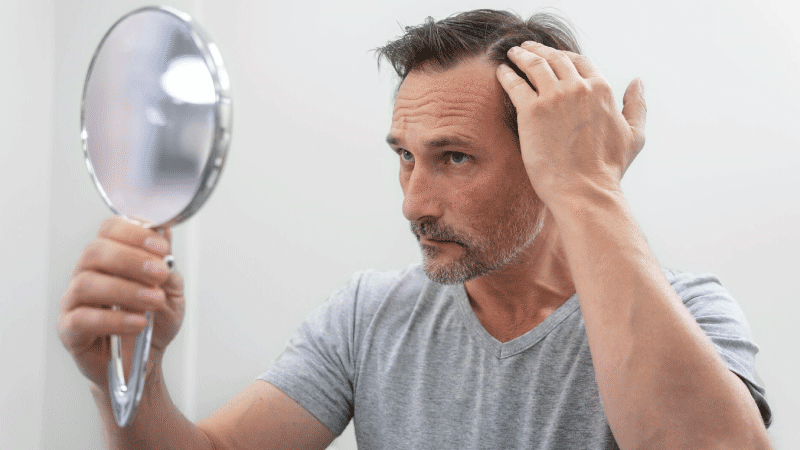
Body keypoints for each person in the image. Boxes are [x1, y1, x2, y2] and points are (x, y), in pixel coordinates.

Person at [58, 9, 772, 449]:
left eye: (454, 157)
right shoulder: (369, 315)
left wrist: (589, 184)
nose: (413, 203)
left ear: (547, 157)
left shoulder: (692, 312)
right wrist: (131, 384)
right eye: (405, 156)